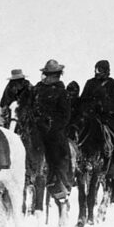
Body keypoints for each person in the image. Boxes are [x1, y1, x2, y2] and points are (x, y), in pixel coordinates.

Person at [32, 59, 72, 203]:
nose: (49, 77)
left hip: (52, 130)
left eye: (53, 75)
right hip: (34, 126)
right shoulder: (36, 89)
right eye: (47, 74)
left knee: (56, 150)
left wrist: (51, 124)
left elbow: (65, 115)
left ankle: (57, 181)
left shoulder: (62, 92)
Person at [0, 69, 32, 133]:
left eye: (19, 81)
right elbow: (4, 102)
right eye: (15, 81)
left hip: (25, 113)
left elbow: (31, 102)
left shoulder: (29, 88)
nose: (17, 84)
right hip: (11, 114)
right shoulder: (9, 87)